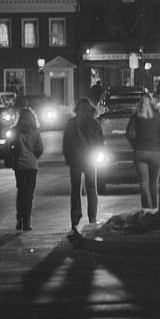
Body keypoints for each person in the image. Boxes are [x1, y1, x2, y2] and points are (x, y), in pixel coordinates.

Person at [62, 98, 104, 239]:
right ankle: (92, 217)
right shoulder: (94, 123)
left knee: (75, 190)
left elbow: (66, 143)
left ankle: (75, 219)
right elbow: (100, 141)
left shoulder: (71, 124)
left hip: (75, 160)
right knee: (92, 188)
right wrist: (96, 153)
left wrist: (68, 158)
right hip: (90, 159)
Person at [125, 94, 160, 213]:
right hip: (155, 153)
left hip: (140, 152)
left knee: (144, 182)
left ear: (140, 104)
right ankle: (154, 208)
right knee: (153, 182)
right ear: (153, 103)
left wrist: (135, 145)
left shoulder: (136, 116)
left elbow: (128, 134)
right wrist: (159, 146)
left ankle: (146, 208)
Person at [7, 107, 44, 231]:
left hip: (19, 165)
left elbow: (9, 146)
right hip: (32, 165)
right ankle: (27, 221)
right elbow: (40, 148)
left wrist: (14, 155)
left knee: (21, 191)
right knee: (29, 194)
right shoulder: (36, 132)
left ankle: (20, 218)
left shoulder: (15, 131)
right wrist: (34, 156)